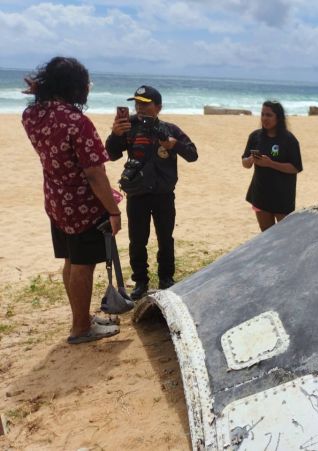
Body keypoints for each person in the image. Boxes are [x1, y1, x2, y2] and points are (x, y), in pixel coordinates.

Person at [21, 56, 122, 344]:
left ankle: (81, 318)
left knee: (70, 259)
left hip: (55, 199)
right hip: (82, 205)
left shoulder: (32, 116)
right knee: (83, 264)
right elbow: (94, 173)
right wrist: (113, 211)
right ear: (75, 87)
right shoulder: (77, 122)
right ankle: (80, 328)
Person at [105, 86, 198, 299]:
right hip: (137, 194)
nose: (140, 108)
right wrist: (115, 134)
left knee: (165, 238)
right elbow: (111, 155)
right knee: (137, 240)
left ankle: (166, 278)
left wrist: (173, 145)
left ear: (158, 107)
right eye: (137, 104)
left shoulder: (171, 129)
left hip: (163, 194)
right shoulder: (129, 127)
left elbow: (193, 154)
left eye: (145, 104)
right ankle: (140, 282)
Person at [241, 101, 303, 231]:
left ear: (278, 117)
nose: (264, 118)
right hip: (260, 194)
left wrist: (270, 164)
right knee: (266, 235)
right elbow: (245, 163)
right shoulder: (255, 137)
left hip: (283, 196)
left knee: (284, 236)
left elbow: (295, 168)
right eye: (262, 114)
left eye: (269, 115)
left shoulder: (289, 140)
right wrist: (251, 159)